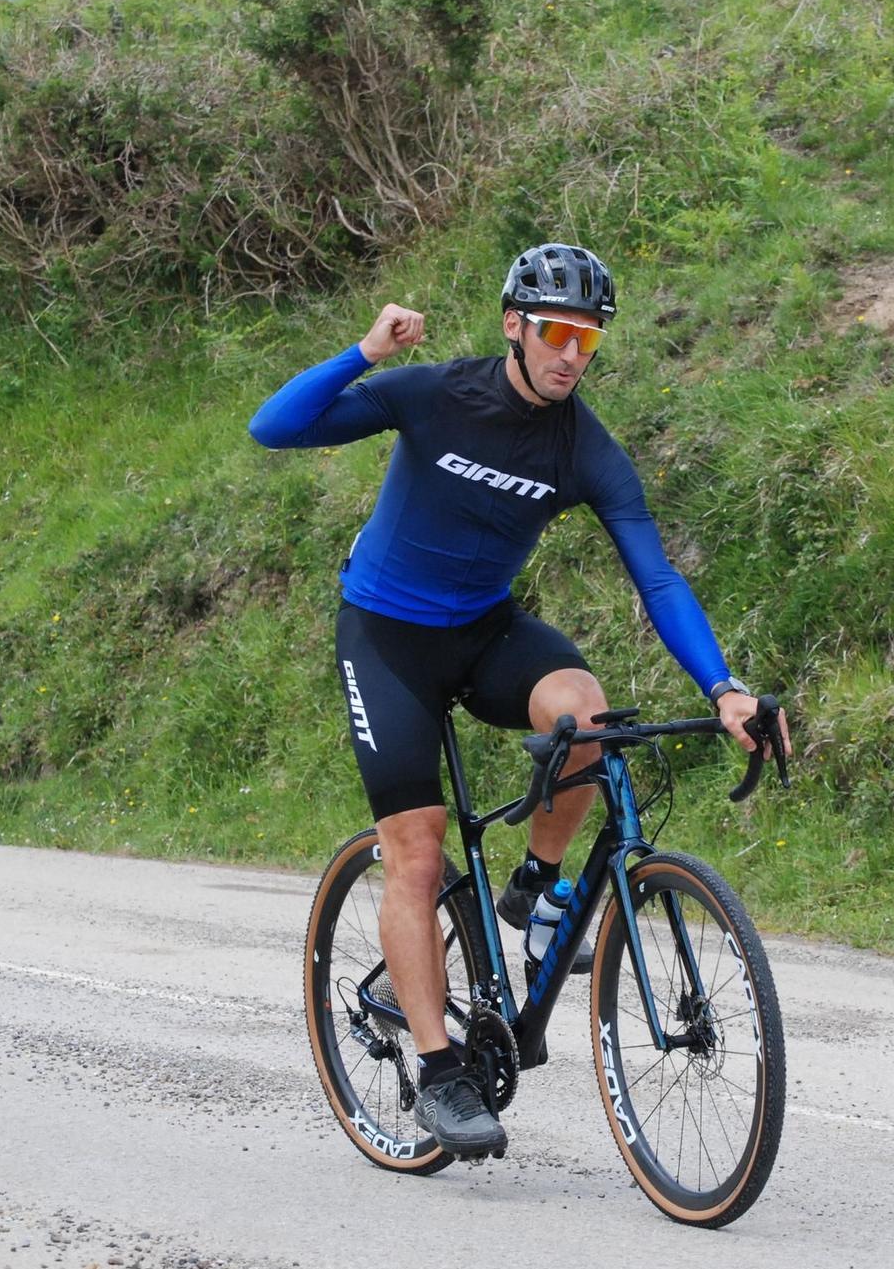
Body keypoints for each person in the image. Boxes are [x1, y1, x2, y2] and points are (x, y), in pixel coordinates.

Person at [248, 243, 790, 1158]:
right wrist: (366, 353)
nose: (573, 354)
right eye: (557, 333)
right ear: (515, 325)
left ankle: (536, 889)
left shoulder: (585, 449)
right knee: (416, 852)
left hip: (484, 627)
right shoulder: (435, 393)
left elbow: (657, 579)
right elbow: (274, 428)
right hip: (385, 637)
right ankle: (439, 1071)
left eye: (589, 338)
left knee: (587, 713)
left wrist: (724, 686)